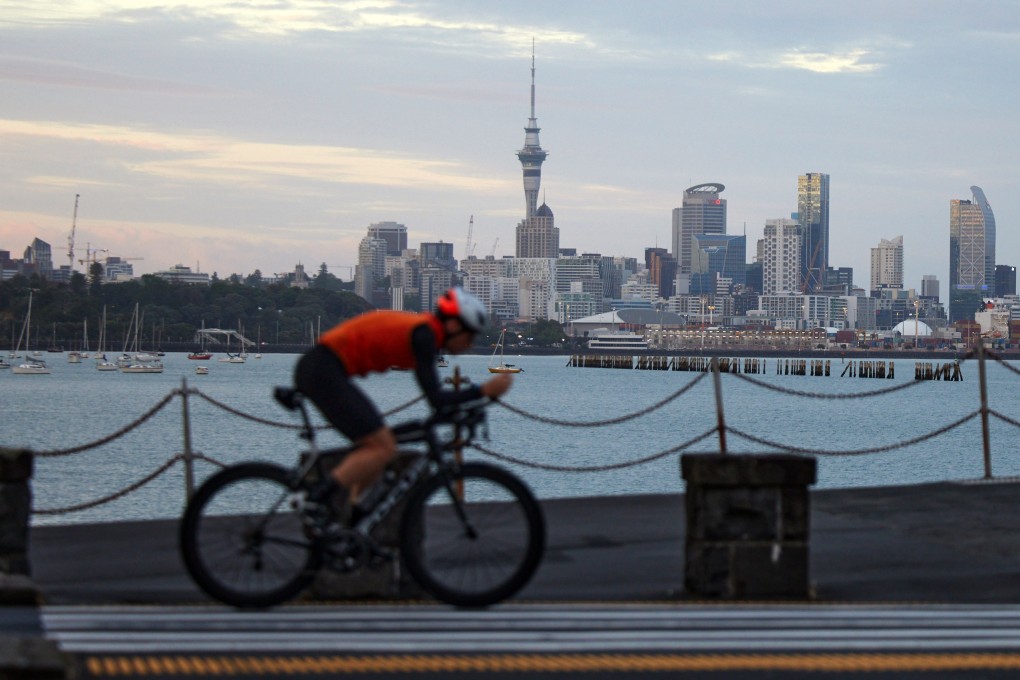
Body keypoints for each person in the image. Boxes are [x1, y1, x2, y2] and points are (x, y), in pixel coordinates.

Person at [294, 287, 512, 517]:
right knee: (382, 446)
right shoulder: (424, 335)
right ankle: (316, 498)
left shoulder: (425, 333)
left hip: (322, 368)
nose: (469, 344)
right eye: (470, 336)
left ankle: (354, 519)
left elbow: (437, 401)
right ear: (454, 326)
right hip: (323, 371)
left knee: (376, 448)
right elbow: (437, 400)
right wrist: (483, 391)